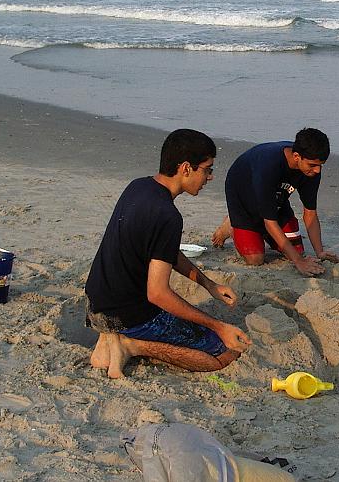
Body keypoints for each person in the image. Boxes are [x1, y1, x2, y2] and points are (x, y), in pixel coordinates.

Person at [85, 129, 251, 379]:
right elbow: (157, 293)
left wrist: (208, 285)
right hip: (127, 315)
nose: (209, 177)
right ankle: (130, 345)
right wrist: (218, 326)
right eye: (206, 169)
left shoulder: (138, 186)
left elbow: (164, 251)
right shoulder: (167, 216)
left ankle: (109, 339)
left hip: (96, 304)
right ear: (186, 168)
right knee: (223, 354)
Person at [211, 128, 339, 276]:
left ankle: (261, 231)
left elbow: (310, 214)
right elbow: (270, 222)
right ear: (297, 156)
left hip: (276, 197)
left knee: (297, 251)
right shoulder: (269, 166)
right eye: (313, 165)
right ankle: (231, 225)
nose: (317, 171)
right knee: (255, 259)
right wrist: (298, 261)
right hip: (243, 195)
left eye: (321, 165)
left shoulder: (311, 170)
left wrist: (320, 252)